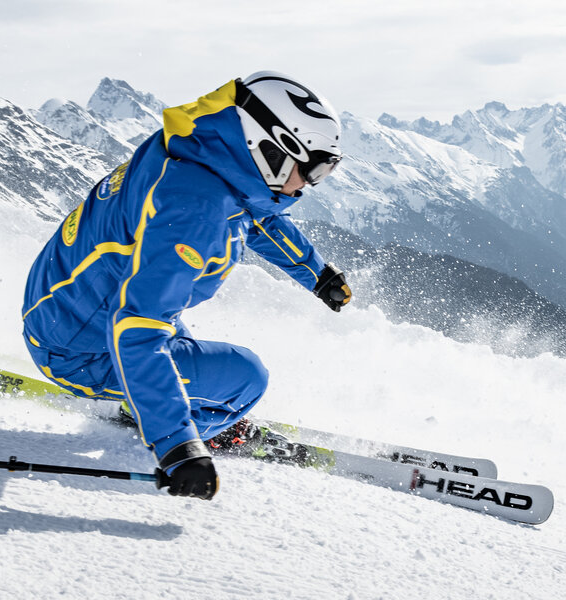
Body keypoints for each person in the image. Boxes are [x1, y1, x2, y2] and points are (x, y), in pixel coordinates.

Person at [19, 72, 352, 500]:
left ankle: (160, 405)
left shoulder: (203, 159)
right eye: (315, 167)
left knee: (186, 348)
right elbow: (136, 329)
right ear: (270, 146)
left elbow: (254, 217)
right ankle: (185, 428)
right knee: (246, 378)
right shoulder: (195, 210)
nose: (310, 183)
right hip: (78, 348)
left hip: (65, 304)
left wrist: (318, 274)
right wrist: (180, 449)